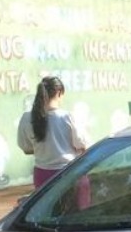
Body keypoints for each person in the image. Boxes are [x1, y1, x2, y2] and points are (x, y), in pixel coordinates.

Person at [18, 76, 90, 207]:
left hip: (42, 176)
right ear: (59, 93)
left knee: (48, 216)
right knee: (77, 215)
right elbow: (83, 145)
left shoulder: (26, 118)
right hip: (70, 174)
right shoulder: (68, 116)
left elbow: (26, 149)